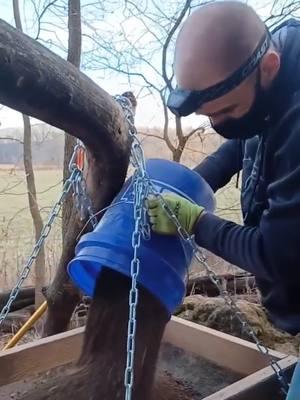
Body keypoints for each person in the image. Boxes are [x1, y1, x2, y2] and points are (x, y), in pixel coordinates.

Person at [147, 1, 300, 336]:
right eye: (209, 117)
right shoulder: (275, 71)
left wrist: (194, 222)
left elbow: (276, 256)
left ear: (269, 68)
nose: (218, 125)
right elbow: (247, 138)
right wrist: (191, 183)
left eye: (226, 111)